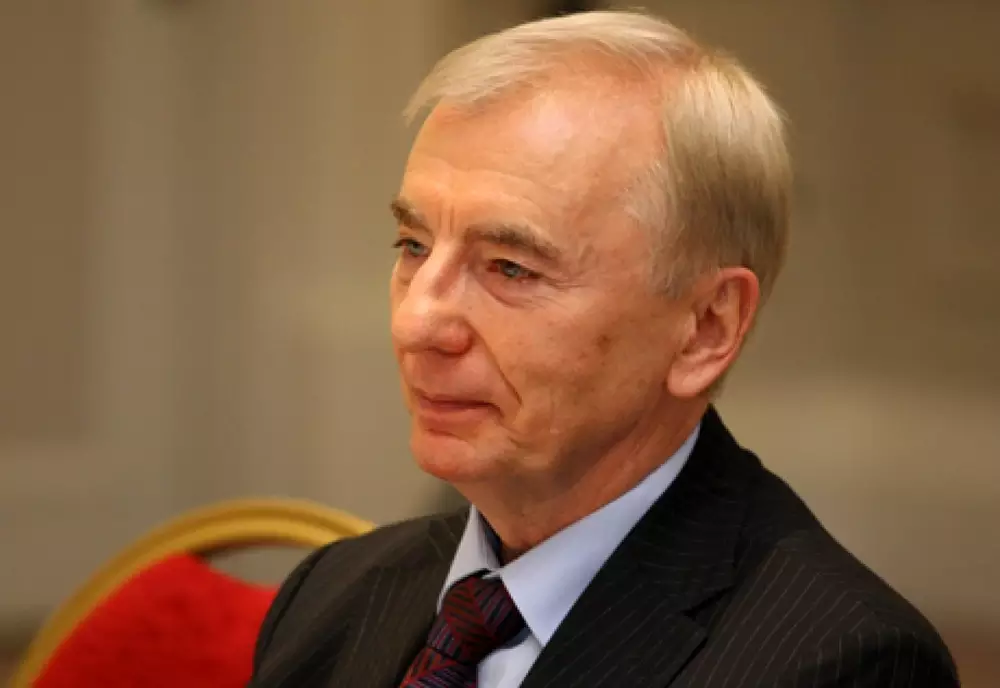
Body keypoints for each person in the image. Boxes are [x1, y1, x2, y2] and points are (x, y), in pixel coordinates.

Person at [249, 10, 958, 688]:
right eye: (413, 246)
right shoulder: (332, 595)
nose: (417, 323)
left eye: (510, 268)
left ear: (706, 328)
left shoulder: (840, 663)